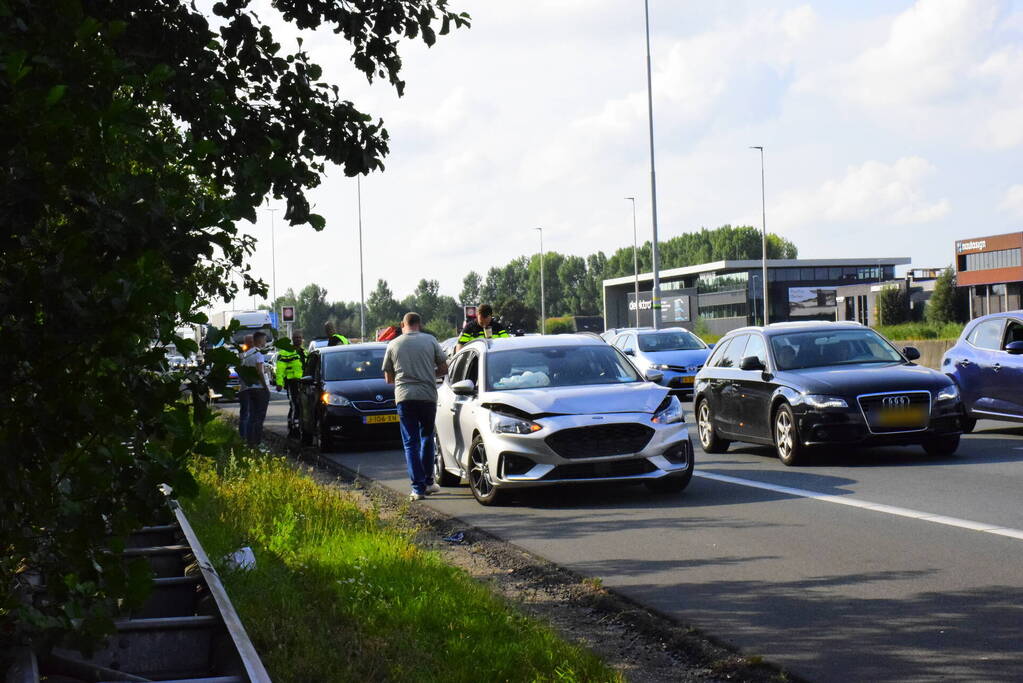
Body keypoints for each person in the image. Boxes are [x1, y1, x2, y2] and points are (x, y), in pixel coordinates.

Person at [382, 312, 448, 501]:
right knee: (427, 437)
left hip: (404, 397)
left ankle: (417, 488)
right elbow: (444, 368)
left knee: (411, 442)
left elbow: (388, 378)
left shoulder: (394, 344)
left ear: (403, 325)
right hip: (427, 395)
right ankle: (428, 481)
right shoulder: (431, 340)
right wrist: (428, 372)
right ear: (420, 324)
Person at [241, 331, 271, 446]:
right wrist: (265, 387)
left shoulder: (247, 354)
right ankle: (257, 442)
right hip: (259, 388)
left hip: (249, 388)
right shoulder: (259, 354)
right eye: (264, 339)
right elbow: (259, 371)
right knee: (260, 417)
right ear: (259, 340)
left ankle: (249, 441)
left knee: (252, 416)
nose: (265, 342)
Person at [275, 332, 306, 438]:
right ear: (292, 339)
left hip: (303, 383)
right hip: (292, 383)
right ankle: (294, 430)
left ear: (302, 339)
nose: (298, 339)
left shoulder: (304, 352)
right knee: (295, 404)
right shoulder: (285, 353)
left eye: (299, 337)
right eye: (295, 338)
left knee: (300, 406)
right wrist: (279, 383)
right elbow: (280, 370)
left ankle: (296, 425)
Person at [237, 333, 255, 439]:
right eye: (248, 342)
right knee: (246, 414)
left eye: (251, 342)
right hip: (246, 389)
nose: (250, 344)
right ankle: (245, 437)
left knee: (247, 413)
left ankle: (246, 437)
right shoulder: (243, 356)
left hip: (247, 389)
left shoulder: (242, 355)